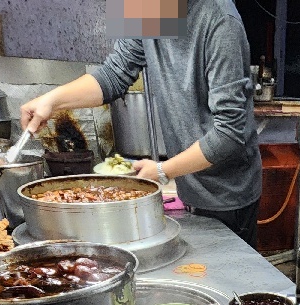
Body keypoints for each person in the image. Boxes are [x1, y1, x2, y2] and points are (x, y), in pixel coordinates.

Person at [20, 0, 262, 246]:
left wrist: (162, 171)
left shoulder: (221, 21)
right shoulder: (152, 7)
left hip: (227, 193)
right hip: (187, 183)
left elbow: (229, 133)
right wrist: (52, 100)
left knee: (225, 278)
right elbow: (113, 74)